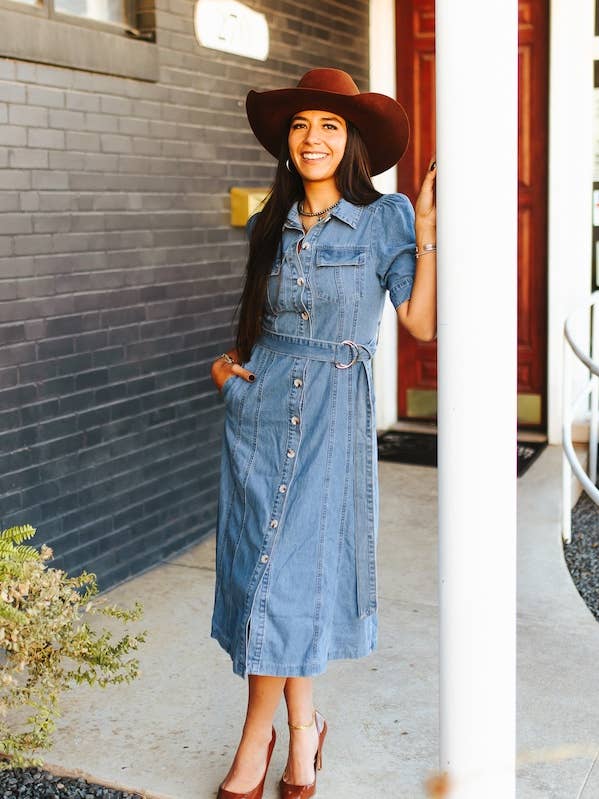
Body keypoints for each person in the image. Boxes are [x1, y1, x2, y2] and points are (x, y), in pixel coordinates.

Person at [209, 68, 436, 799]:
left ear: (352, 142)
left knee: (289, 576)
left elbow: (419, 322)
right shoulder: (266, 223)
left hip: (334, 413)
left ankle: (256, 740)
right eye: (302, 125)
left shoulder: (384, 218)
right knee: (272, 575)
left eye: (330, 126)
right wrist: (229, 369)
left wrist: (426, 239)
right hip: (262, 409)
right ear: (286, 139)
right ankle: (301, 732)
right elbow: (256, 322)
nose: (313, 138)